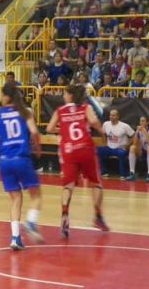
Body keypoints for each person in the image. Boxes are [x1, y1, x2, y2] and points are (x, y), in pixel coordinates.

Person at [47, 85, 109, 239]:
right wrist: (102, 132)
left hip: (68, 150)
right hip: (85, 148)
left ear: (70, 96)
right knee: (96, 183)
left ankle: (65, 214)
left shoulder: (59, 111)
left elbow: (49, 128)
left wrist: (62, 130)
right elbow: (94, 121)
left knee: (68, 186)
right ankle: (98, 216)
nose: (63, 96)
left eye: (65, 94)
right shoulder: (85, 107)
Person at [0, 82, 43, 250]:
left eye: (2, 95)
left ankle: (15, 238)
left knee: (16, 199)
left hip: (4, 161)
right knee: (36, 196)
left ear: (6, 96)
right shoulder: (26, 112)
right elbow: (34, 132)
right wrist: (37, 147)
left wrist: (2, 139)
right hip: (21, 158)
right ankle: (31, 222)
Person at [97, 109, 135, 179]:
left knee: (122, 153)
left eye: (113, 115)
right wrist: (104, 143)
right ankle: (104, 172)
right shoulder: (106, 124)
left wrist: (127, 146)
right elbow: (103, 134)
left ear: (118, 116)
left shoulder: (124, 126)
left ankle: (123, 174)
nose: (111, 117)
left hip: (119, 148)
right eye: (110, 115)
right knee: (98, 150)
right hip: (109, 147)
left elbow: (133, 135)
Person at [127, 116, 149, 183]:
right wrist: (136, 132)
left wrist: (144, 132)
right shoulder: (139, 130)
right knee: (132, 147)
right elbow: (135, 143)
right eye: (140, 121)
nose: (141, 123)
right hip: (144, 150)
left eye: (143, 121)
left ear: (147, 122)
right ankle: (132, 173)